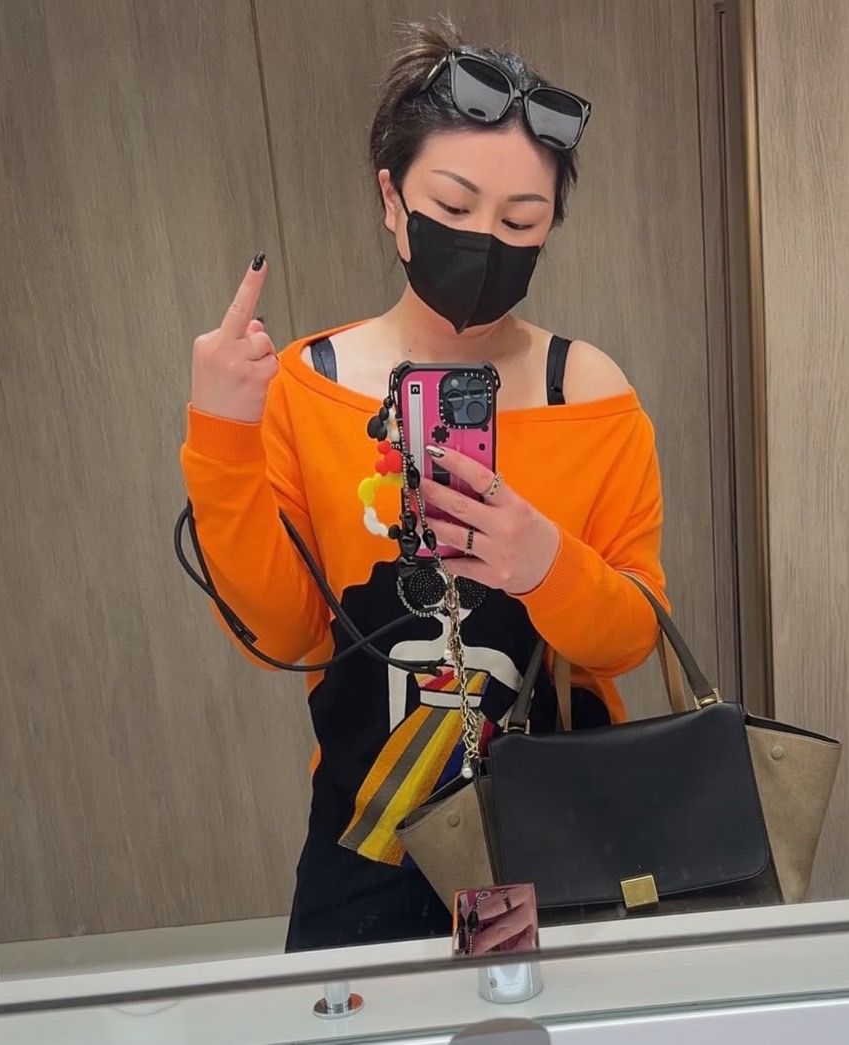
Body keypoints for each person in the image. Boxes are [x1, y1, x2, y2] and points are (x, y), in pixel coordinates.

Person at [180, 19, 669, 953]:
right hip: (367, 837)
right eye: (452, 202)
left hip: (559, 831)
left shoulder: (588, 394)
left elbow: (630, 640)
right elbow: (279, 636)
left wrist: (544, 564)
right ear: (391, 199)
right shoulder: (305, 384)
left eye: (520, 221)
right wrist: (223, 434)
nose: (484, 241)